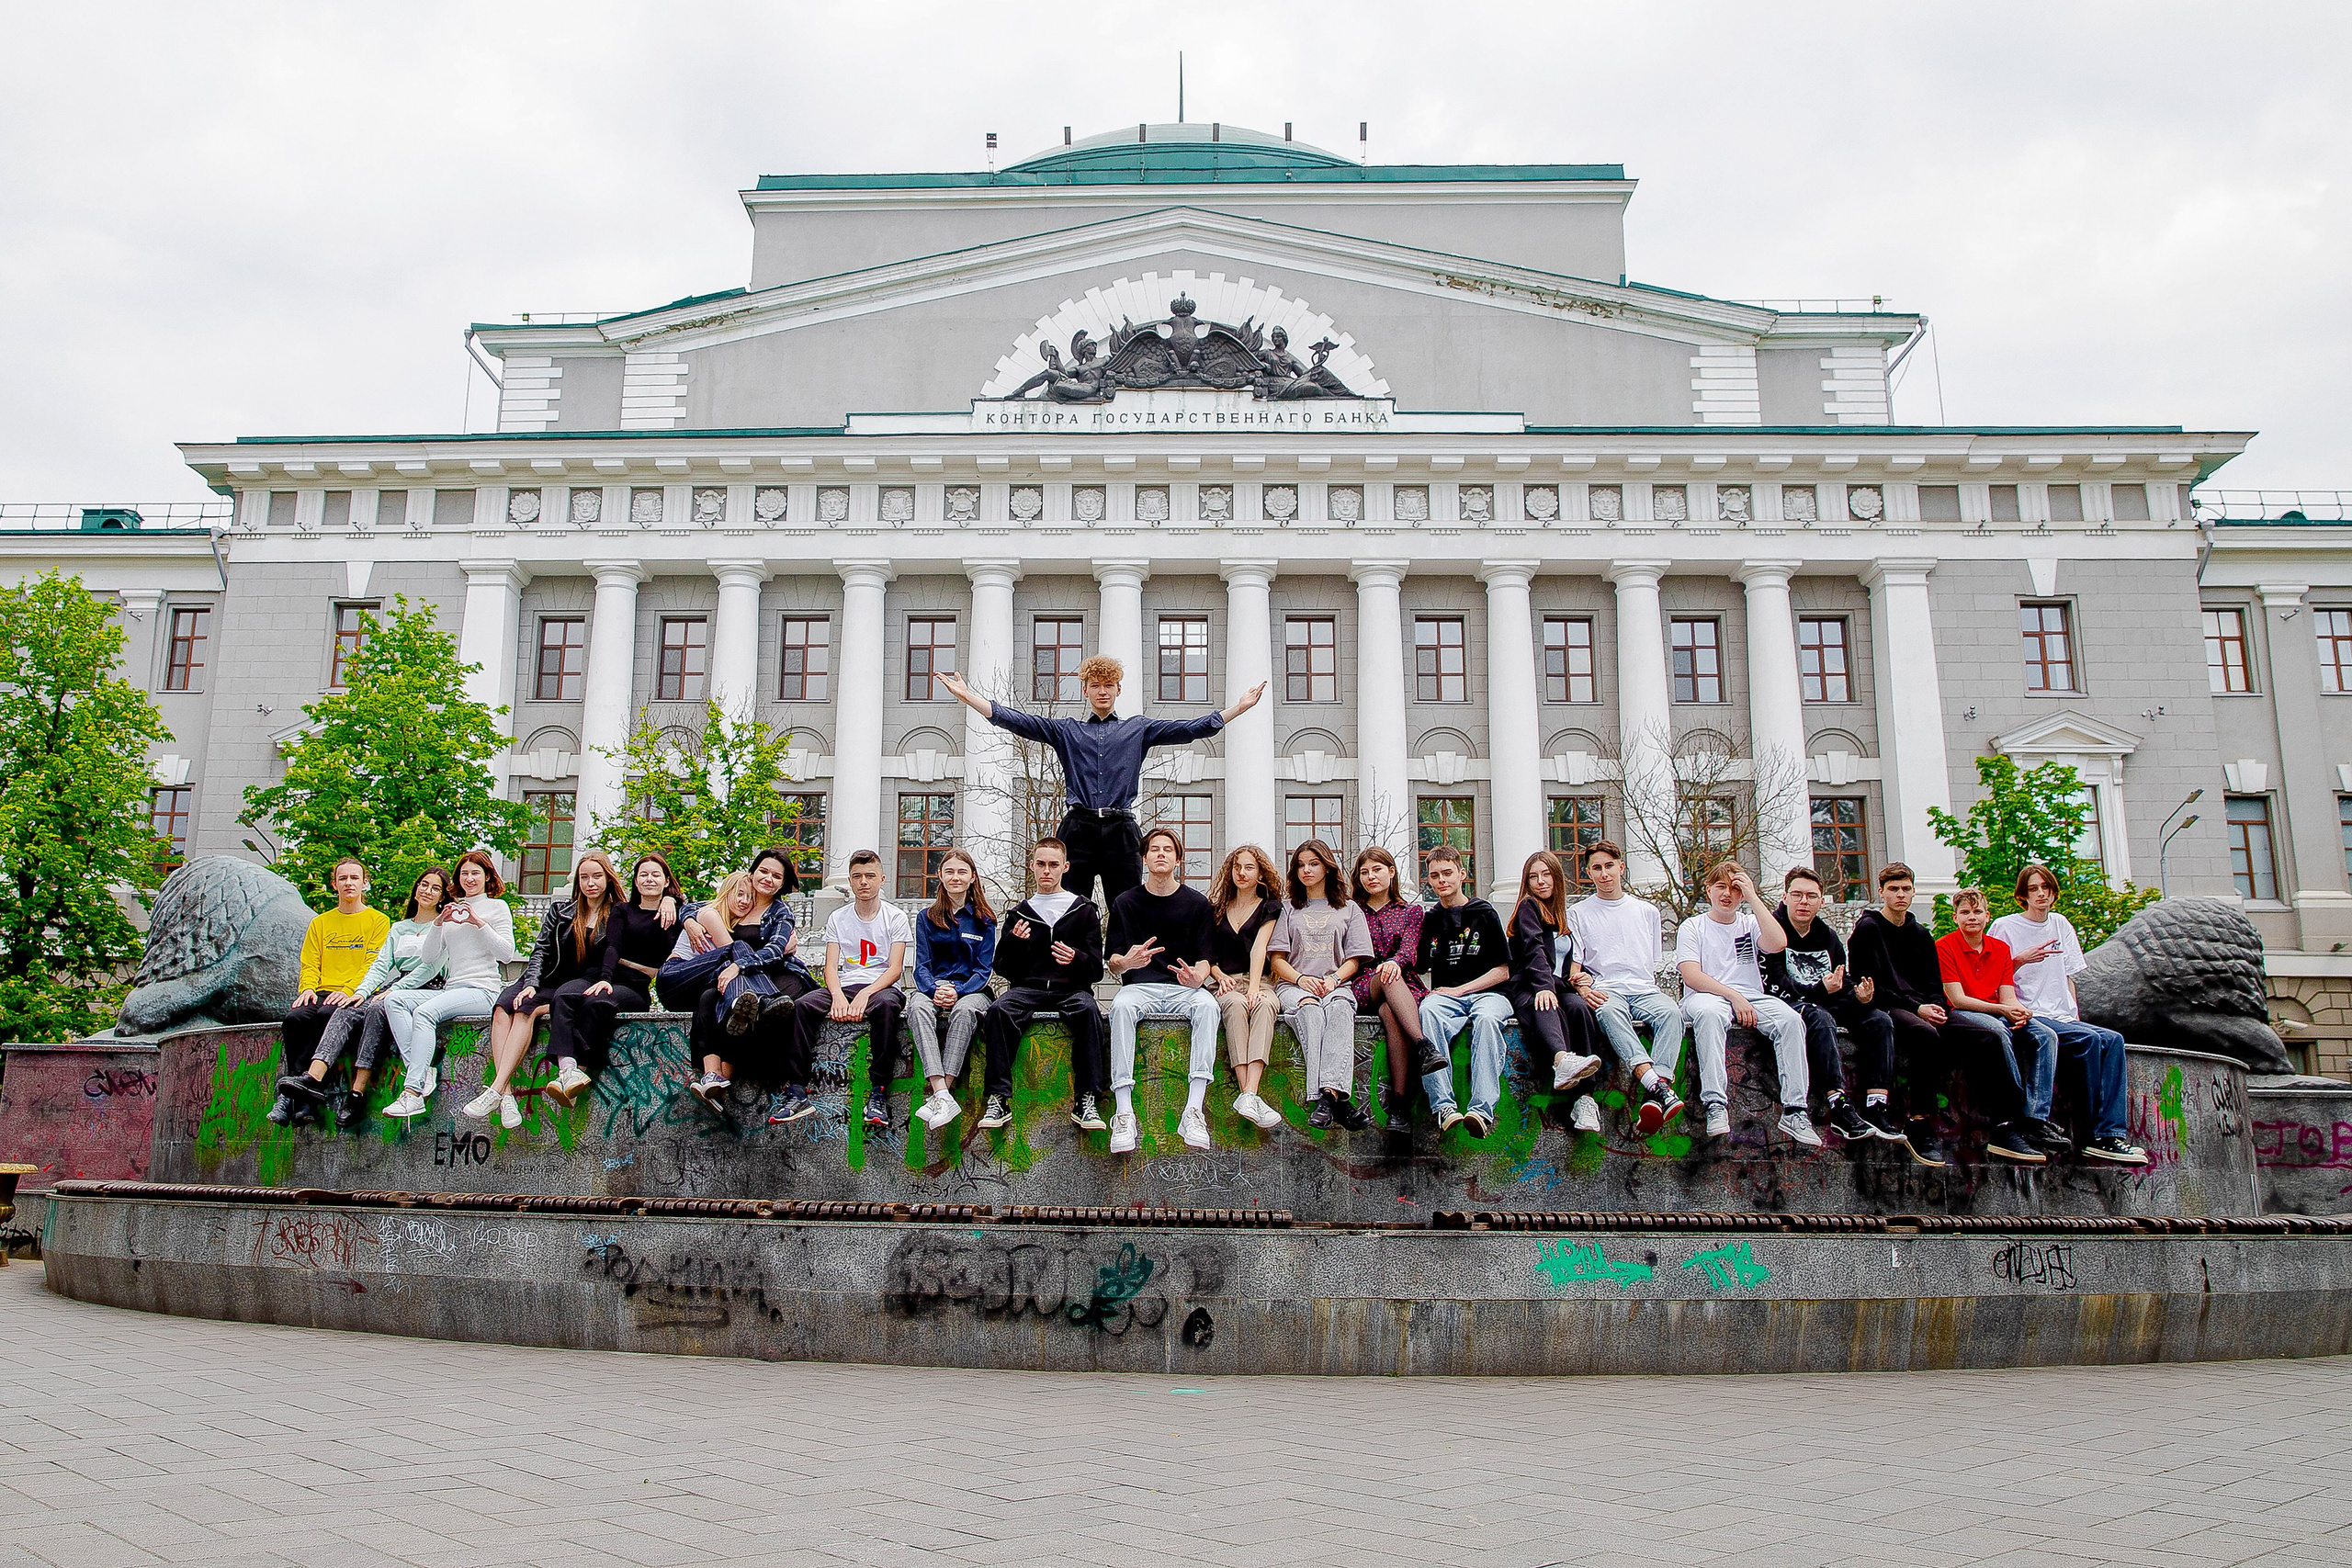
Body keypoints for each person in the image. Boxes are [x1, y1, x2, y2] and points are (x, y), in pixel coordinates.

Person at [937, 660, 1265, 903]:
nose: (1103, 691)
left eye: (1108, 685)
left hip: (1121, 829)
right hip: (1078, 827)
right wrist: (970, 698)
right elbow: (1018, 721)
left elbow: (1189, 729)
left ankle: (1131, 980)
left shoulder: (1137, 729)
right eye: (1096, 685)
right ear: (1086, 690)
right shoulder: (1068, 730)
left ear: (1118, 689)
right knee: (1068, 905)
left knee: (1126, 904)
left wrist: (1237, 708)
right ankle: (1074, 984)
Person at [1848, 863, 2041, 1167]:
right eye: (1894, 889)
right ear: (1881, 892)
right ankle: (1919, 1121)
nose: (1900, 895)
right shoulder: (1868, 929)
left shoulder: (1920, 933)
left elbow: (1934, 983)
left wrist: (1935, 1004)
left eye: (1906, 889)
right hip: (1888, 1006)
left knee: (1988, 1036)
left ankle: (2004, 1127)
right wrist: (1918, 1009)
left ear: (1913, 891)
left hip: (1926, 1007)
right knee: (1925, 1035)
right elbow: (1868, 984)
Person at [1990, 864, 2150, 1167]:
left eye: (2045, 889)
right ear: (2023, 895)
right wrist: (2021, 959)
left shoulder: (2061, 924)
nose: (2040, 895)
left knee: (2113, 1039)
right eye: (2033, 889)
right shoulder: (2006, 926)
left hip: (2062, 1014)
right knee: (2088, 1040)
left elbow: (2069, 977)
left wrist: (2074, 1014)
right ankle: (2091, 1135)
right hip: (2028, 1011)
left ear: (2053, 893)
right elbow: (1993, 975)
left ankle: (2111, 1134)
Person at [275, 865, 448, 1130]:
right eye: (424, 884)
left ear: (443, 896)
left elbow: (431, 967)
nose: (427, 891)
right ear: (416, 889)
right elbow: (380, 965)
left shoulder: (443, 926)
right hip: (395, 985)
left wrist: (390, 990)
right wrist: (359, 993)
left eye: (435, 888)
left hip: (426, 986)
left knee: (376, 1010)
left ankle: (357, 1094)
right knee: (346, 1010)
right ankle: (312, 1078)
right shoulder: (400, 928)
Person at [465, 851, 618, 1128]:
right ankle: (506, 1095)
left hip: (578, 986)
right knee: (503, 1006)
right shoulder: (562, 911)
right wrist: (532, 983)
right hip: (546, 979)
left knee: (527, 1010)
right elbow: (541, 950)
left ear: (608, 878)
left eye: (596, 876)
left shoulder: (618, 915)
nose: (590, 883)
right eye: (584, 877)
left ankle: (497, 1089)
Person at [1674, 861, 1820, 1147]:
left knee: (1790, 1020)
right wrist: (1733, 996)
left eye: (1735, 889)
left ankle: (1795, 1111)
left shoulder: (1750, 923)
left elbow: (1778, 943)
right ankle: (1715, 1104)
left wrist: (1753, 897)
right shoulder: (1693, 926)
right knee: (1711, 1014)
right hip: (1705, 996)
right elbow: (1691, 975)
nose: (1728, 894)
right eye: (1721, 887)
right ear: (1708, 890)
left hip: (1751, 998)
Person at [977, 838, 1109, 1133]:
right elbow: (1001, 968)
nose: (1046, 871)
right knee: (999, 1010)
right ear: (1032, 866)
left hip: (1071, 990)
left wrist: (1075, 958)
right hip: (1027, 990)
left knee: (1089, 1012)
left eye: (1052, 865)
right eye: (1040, 864)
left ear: (1065, 867)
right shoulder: (1019, 913)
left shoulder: (1084, 910)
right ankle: (998, 1099)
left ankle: (1086, 1099)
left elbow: (1096, 970)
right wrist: (1013, 942)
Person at [1764, 865, 1901, 1147]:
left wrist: (1859, 995)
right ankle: (1838, 1104)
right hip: (1789, 1006)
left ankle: (1876, 1105)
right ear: (1785, 897)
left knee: (1879, 1020)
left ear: (1821, 901)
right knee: (1820, 1017)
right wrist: (1818, 990)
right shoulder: (1771, 931)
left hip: (1827, 999)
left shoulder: (1827, 936)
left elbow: (1842, 979)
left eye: (1811, 896)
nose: (1804, 902)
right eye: (1798, 895)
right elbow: (1775, 984)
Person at [1104, 826, 1221, 1154]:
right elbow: (1112, 960)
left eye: (1167, 850)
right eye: (1154, 849)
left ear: (1178, 859)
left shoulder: (1198, 904)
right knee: (1121, 1007)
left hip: (1184, 989)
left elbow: (1205, 960)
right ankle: (1124, 1113)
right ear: (1144, 858)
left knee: (1209, 1007)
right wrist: (1127, 962)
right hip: (1140, 988)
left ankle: (1194, 1110)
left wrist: (1197, 978)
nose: (1160, 854)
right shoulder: (1125, 903)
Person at [779, 849, 910, 1131]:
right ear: (850, 882)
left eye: (870, 876)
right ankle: (798, 1089)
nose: (864, 882)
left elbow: (895, 969)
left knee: (886, 1007)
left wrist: (865, 994)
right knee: (802, 1005)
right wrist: (837, 995)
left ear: (882, 879)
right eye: (857, 877)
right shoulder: (839, 918)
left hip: (881, 986)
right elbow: (831, 968)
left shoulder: (895, 917)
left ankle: (878, 1093)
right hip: (846, 985)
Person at [674, 849, 814, 1110]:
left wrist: (739, 965)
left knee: (757, 1013)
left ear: (783, 884)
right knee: (707, 998)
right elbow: (696, 907)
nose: (768, 879)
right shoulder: (740, 902)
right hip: (737, 981)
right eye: (763, 871)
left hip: (776, 978)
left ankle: (721, 1081)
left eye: (776, 876)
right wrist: (689, 921)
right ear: (752, 874)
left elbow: (775, 950)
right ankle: (711, 1076)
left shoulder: (781, 913)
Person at [382, 851, 514, 1121]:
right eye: (464, 873)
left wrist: (478, 922)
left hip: (483, 990)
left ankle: (413, 1093)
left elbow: (506, 954)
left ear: (487, 876)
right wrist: (439, 923)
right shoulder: (451, 909)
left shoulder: (496, 907)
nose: (469, 878)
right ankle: (421, 1070)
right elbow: (429, 957)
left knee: (425, 1013)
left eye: (475, 873)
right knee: (394, 1000)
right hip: (453, 990)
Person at [541, 853, 680, 1109]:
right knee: (563, 995)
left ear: (666, 880)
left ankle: (581, 1069)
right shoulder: (622, 910)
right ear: (635, 883)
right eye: (643, 875)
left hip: (634, 987)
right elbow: (613, 947)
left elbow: (672, 959)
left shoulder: (677, 913)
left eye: (656, 874)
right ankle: (568, 1070)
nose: (649, 879)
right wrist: (605, 977)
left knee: (597, 1004)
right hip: (603, 976)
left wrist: (672, 899)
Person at [1938, 887, 2065, 1164]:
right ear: (1955, 917)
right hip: (1965, 1012)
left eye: (1977, 912)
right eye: (1965, 913)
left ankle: (2035, 1119)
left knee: (2046, 1035)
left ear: (1987, 916)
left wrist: (2020, 1012)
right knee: (1998, 1032)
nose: (1971, 917)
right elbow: (1958, 999)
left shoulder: (2001, 949)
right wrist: (2003, 1011)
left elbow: (2008, 996)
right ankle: (2013, 1110)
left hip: (1997, 1009)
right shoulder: (1944, 946)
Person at [1564, 841, 1685, 1134]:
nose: (1604, 874)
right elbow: (1574, 967)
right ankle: (1654, 1084)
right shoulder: (1578, 913)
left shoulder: (1647, 911)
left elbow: (1650, 963)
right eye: (1596, 868)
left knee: (1672, 1014)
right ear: (1588, 873)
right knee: (1607, 1011)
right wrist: (1582, 987)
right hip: (1608, 988)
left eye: (1609, 866)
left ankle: (1658, 1093)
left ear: (1621, 867)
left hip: (1644, 989)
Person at [266, 857, 391, 1128]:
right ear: (334, 884)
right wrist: (308, 988)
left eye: (354, 878)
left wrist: (349, 990)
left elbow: (374, 964)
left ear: (364, 883)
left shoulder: (378, 921)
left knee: (326, 1014)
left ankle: (294, 1098)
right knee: (295, 1018)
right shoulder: (320, 923)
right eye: (343, 878)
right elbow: (310, 962)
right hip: (321, 990)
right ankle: (302, 1100)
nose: (349, 883)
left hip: (356, 994)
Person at [1270, 838, 1375, 1131]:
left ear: (1327, 867)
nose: (1306, 870)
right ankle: (1335, 1099)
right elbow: (1276, 960)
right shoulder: (1288, 908)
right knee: (1311, 1012)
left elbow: (1354, 960)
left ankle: (1325, 1099)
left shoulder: (1349, 909)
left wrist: (1334, 980)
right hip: (1294, 985)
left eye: (1314, 864)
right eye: (1301, 865)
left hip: (1335, 984)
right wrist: (1302, 979)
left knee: (1341, 1010)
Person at [1413, 846, 1514, 1138]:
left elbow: (1502, 971)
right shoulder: (1430, 919)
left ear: (1462, 874)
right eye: (1434, 875)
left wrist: (1461, 990)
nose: (1441, 880)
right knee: (1428, 1011)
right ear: (1428, 881)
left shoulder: (1483, 913)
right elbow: (1418, 964)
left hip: (1489, 994)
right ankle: (1444, 1107)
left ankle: (1481, 1112)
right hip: (1448, 998)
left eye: (1447, 873)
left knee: (1486, 1020)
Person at [1502, 851, 1605, 1129]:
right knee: (1547, 1004)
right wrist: (1543, 987)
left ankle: (1585, 1100)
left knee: (1580, 1009)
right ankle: (1562, 1061)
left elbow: (1566, 961)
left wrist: (1580, 981)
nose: (1541, 881)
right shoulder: (1528, 906)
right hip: (1528, 986)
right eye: (1533, 877)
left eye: (1546, 874)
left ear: (1557, 878)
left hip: (1557, 986)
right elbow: (1534, 949)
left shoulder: (1563, 917)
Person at [908, 847, 997, 1130]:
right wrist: (933, 990)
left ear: (972, 877)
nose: (955, 877)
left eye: (961, 872)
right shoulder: (926, 917)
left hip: (973, 992)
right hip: (933, 988)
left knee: (964, 1012)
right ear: (940, 876)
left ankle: (941, 1093)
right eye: (949, 872)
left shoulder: (985, 919)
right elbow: (920, 965)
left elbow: (984, 970)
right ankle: (942, 1092)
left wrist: (958, 991)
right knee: (917, 1007)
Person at [1350, 846, 1433, 1122]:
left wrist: (1396, 962)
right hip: (1365, 982)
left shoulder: (1410, 912)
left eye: (1377, 870)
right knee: (1387, 978)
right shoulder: (1352, 911)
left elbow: (1409, 950)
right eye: (1364, 872)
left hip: (1401, 983)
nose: (1371, 877)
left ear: (1392, 872)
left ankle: (1398, 1105)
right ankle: (1423, 1044)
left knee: (1390, 1013)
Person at [1206, 845, 1284, 1131]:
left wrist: (1253, 987)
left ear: (1260, 872)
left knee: (1264, 1004)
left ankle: (1248, 1094)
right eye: (1237, 866)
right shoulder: (1216, 909)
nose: (1241, 872)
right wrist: (1218, 974)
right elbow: (1207, 954)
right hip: (1224, 982)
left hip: (1260, 979)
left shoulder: (1270, 907)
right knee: (1235, 1005)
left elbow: (1260, 949)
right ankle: (1249, 1097)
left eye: (1249, 867)